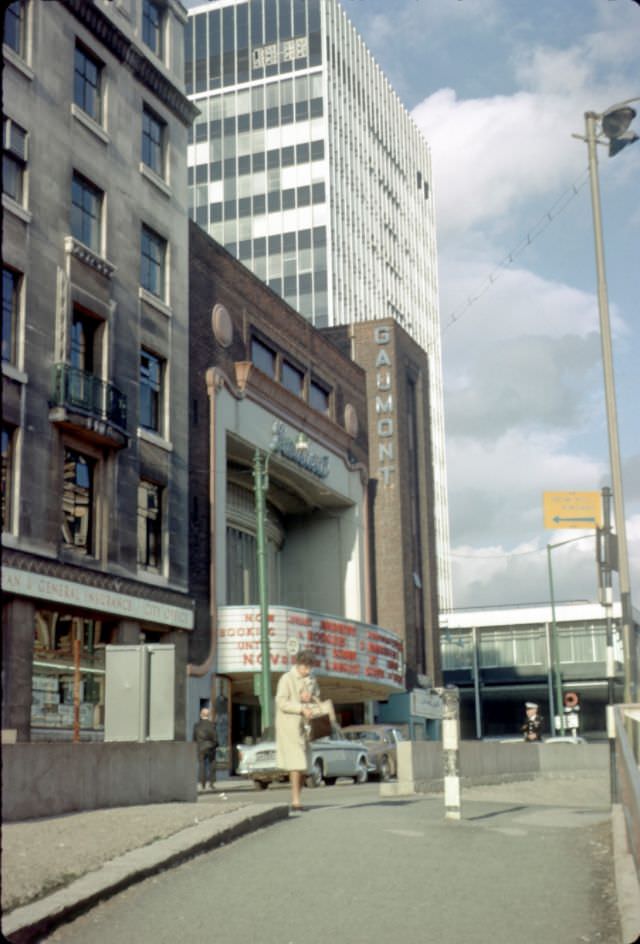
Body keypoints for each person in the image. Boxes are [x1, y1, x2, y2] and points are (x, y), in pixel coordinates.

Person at [275, 649, 320, 811]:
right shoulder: (286, 679)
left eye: (309, 667)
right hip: (289, 726)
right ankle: (295, 801)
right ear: (298, 665)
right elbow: (281, 702)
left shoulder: (312, 680)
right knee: (296, 762)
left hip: (307, 726)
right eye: (304, 667)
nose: (307, 671)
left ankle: (297, 798)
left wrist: (311, 698)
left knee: (304, 765)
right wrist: (300, 707)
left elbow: (317, 698)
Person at [193, 707, 218, 790]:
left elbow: (194, 738)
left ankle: (202, 783)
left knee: (202, 765)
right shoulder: (212, 725)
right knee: (212, 764)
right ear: (209, 715)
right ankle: (211, 783)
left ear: (201, 715)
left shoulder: (196, 725)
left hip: (200, 747)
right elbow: (215, 737)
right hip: (210, 746)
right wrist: (215, 744)